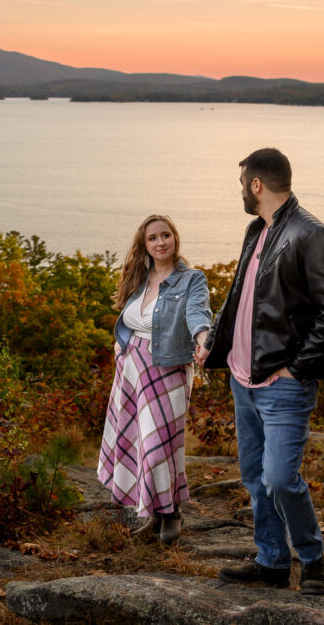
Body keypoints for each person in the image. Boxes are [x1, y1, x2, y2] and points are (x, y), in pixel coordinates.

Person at [194, 148, 324, 594]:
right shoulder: (257, 229)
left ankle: (313, 560)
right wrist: (215, 343)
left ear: (256, 185)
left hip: (282, 384)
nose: (240, 191)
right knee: (254, 478)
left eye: (242, 183)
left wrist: (298, 367)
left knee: (280, 478)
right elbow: (241, 295)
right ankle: (271, 563)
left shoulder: (312, 234)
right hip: (242, 380)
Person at [97, 214, 212, 544]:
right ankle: (154, 510)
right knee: (137, 440)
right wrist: (121, 349)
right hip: (131, 369)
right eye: (153, 238)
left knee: (159, 444)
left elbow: (198, 314)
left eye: (166, 235)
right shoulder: (139, 278)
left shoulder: (191, 279)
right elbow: (129, 320)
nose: (160, 242)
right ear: (144, 244)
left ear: (175, 238)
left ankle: (171, 512)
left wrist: (204, 340)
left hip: (166, 368)